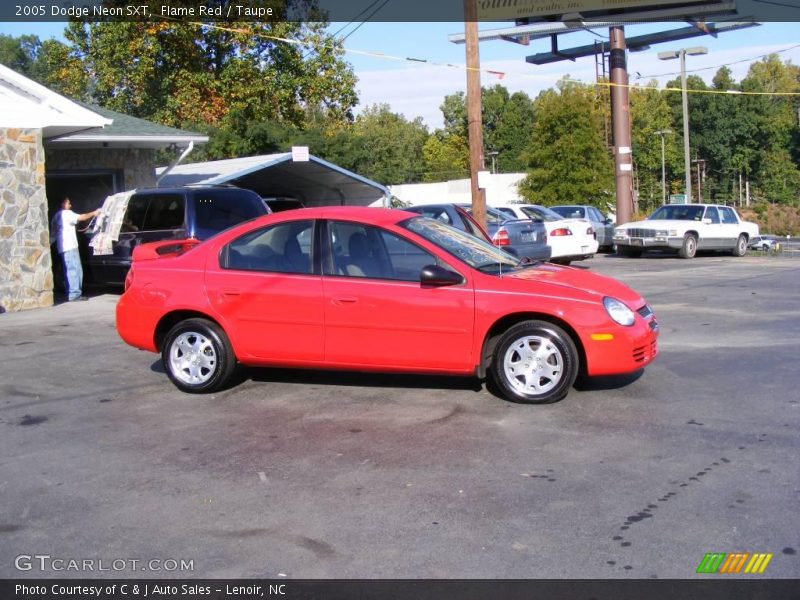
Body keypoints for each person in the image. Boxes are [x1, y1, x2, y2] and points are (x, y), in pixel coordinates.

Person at [51, 197, 100, 302]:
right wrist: (94, 213)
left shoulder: (56, 216)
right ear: (64, 204)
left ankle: (71, 292)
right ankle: (74, 294)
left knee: (68, 270)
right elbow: (81, 217)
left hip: (62, 247)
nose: (70, 205)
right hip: (70, 246)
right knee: (75, 270)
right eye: (69, 203)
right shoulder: (66, 214)